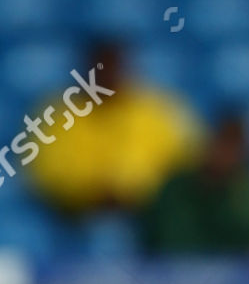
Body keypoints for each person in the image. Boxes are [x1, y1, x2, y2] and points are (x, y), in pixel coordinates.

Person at [25, 38, 202, 217]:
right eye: (100, 70)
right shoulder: (60, 115)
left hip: (148, 215)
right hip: (73, 217)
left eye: (114, 68)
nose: (108, 77)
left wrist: (135, 191)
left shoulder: (159, 111)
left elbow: (184, 165)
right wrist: (88, 191)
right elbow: (45, 172)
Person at [140, 111, 249, 257]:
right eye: (223, 142)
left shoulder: (247, 194)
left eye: (234, 147)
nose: (225, 153)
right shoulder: (175, 187)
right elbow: (165, 238)